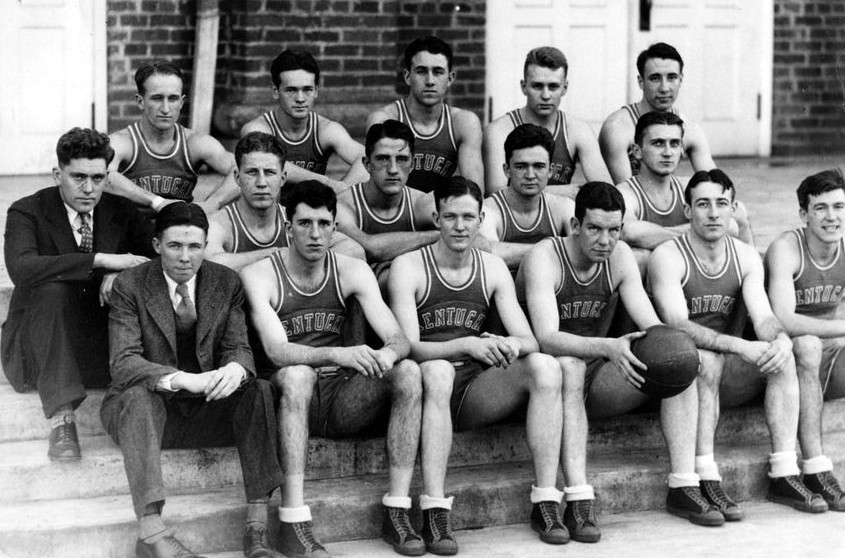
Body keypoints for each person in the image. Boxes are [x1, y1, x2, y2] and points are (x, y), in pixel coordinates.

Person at [519, 181, 723, 541]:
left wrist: (678, 346)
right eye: (595, 228)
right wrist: (609, 347)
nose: (605, 240)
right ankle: (568, 498)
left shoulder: (620, 255)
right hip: (540, 376)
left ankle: (683, 483)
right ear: (575, 226)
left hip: (595, 369)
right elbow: (546, 338)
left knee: (677, 359)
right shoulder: (544, 256)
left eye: (614, 230)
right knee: (568, 364)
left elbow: (650, 325)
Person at [241, 182, 424, 557]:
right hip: (290, 399)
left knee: (408, 372)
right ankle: (293, 519)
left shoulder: (352, 270)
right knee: (297, 374)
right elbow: (277, 352)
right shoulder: (261, 273)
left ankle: (398, 511)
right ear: (286, 224)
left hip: (341, 397)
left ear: (335, 226)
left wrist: (387, 356)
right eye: (304, 223)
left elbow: (398, 338)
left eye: (324, 224)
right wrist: (338, 356)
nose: (315, 233)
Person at [389, 177, 565, 554]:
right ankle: (435, 510)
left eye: (469, 217)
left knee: (546, 368)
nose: (459, 225)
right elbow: (407, 348)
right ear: (436, 217)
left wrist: (504, 343)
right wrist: (466, 343)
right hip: (423, 389)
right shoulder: (408, 267)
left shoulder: (493, 267)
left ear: (481, 218)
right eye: (450, 216)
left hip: (470, 389)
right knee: (437, 371)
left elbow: (530, 340)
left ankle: (546, 501)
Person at [102, 203, 288, 558]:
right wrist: (183, 379)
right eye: (175, 246)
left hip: (202, 411)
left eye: (195, 247)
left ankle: (257, 527)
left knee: (259, 389)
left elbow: (238, 347)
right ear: (157, 245)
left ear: (206, 245)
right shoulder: (130, 285)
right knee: (140, 398)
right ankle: (152, 534)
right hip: (145, 413)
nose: (185, 257)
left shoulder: (225, 281)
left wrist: (236, 369)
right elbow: (123, 364)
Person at [649, 169, 828, 520]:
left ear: (733, 209)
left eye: (721, 204)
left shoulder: (744, 256)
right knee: (704, 358)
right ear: (687, 211)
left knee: (782, 355)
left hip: (722, 366)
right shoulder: (668, 255)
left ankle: (784, 471)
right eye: (703, 204)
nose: (713, 213)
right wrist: (739, 346)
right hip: (676, 371)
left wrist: (777, 339)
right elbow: (677, 324)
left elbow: (762, 316)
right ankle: (698, 477)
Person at [1, 127, 153, 460]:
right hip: (40, 353)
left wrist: (122, 274)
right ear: (58, 173)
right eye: (78, 177)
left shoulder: (121, 211)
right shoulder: (27, 210)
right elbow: (21, 269)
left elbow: (157, 262)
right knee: (49, 291)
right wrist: (99, 259)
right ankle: (62, 421)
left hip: (98, 350)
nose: (88, 189)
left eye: (98, 178)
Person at [764, 168, 845, 511]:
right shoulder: (786, 247)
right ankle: (815, 466)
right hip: (786, 354)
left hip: (829, 352)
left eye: (839, 207)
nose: (832, 217)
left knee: (816, 343)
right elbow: (783, 318)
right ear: (803, 214)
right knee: (808, 343)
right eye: (821, 208)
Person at [205, 132, 363, 272]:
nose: (261, 182)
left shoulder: (294, 219)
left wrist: (293, 261)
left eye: (269, 173)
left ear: (283, 178)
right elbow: (209, 261)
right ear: (237, 178)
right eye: (252, 172)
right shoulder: (220, 223)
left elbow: (354, 250)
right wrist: (273, 255)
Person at [616, 111, 752, 273]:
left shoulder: (690, 186)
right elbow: (630, 232)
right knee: (640, 257)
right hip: (651, 278)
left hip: (688, 272)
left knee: (738, 217)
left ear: (681, 150)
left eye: (674, 144)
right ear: (637, 151)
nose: (667, 152)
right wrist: (700, 231)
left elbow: (734, 224)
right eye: (658, 143)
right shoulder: (626, 193)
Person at [108, 60, 238, 216]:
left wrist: (212, 203)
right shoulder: (123, 142)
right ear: (140, 101)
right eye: (157, 98)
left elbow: (245, 169)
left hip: (180, 231)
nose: (165, 108)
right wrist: (156, 202)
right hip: (132, 231)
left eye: (172, 99)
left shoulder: (195, 143)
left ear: (182, 102)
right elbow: (102, 176)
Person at [482, 46, 610, 197]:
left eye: (553, 86)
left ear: (565, 88)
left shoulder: (577, 130)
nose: (546, 95)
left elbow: (605, 189)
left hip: (561, 216)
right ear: (524, 87)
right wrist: (569, 191)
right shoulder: (500, 130)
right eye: (537, 86)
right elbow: (496, 192)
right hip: (515, 215)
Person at [241, 49, 370, 195]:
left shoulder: (326, 130)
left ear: (316, 90)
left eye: (307, 89)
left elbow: (369, 158)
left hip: (309, 213)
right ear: (275, 91)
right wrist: (326, 182)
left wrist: (340, 192)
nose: (300, 98)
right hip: (269, 211)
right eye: (291, 90)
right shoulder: (258, 129)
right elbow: (268, 163)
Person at [367, 36, 484, 194]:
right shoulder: (385, 119)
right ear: (407, 77)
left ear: (450, 78)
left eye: (438, 72)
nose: (430, 81)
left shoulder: (462, 122)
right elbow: (374, 184)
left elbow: (475, 191)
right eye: (421, 71)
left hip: (440, 212)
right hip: (396, 211)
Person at [335, 120, 440, 289]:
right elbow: (371, 248)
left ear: (412, 165)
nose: (393, 169)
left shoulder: (421, 203)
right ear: (367, 164)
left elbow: (476, 239)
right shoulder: (343, 205)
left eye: (402, 159)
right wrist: (436, 236)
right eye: (383, 159)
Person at [599, 43, 715, 184]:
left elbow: (716, 184)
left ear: (681, 80)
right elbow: (626, 192)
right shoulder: (618, 128)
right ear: (641, 81)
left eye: (672, 77)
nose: (664, 88)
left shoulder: (689, 129)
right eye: (655, 78)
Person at [479, 124, 575, 274]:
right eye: (521, 166)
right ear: (507, 170)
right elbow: (489, 255)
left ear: (550, 171)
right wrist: (557, 249)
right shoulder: (489, 210)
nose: (530, 175)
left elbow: (581, 251)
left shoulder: (563, 207)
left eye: (539, 166)